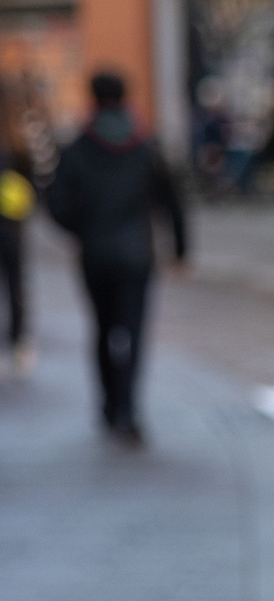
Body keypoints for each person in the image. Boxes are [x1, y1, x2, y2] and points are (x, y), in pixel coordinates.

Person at [41, 71, 186, 442]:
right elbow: (172, 199)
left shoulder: (77, 148)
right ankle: (129, 408)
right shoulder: (144, 146)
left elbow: (54, 200)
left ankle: (108, 407)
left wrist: (81, 229)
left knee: (103, 330)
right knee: (133, 332)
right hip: (137, 254)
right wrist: (181, 248)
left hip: (95, 255)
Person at [0, 80, 38, 377]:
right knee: (16, 284)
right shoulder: (18, 137)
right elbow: (35, 180)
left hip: (10, 224)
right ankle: (19, 343)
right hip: (12, 224)